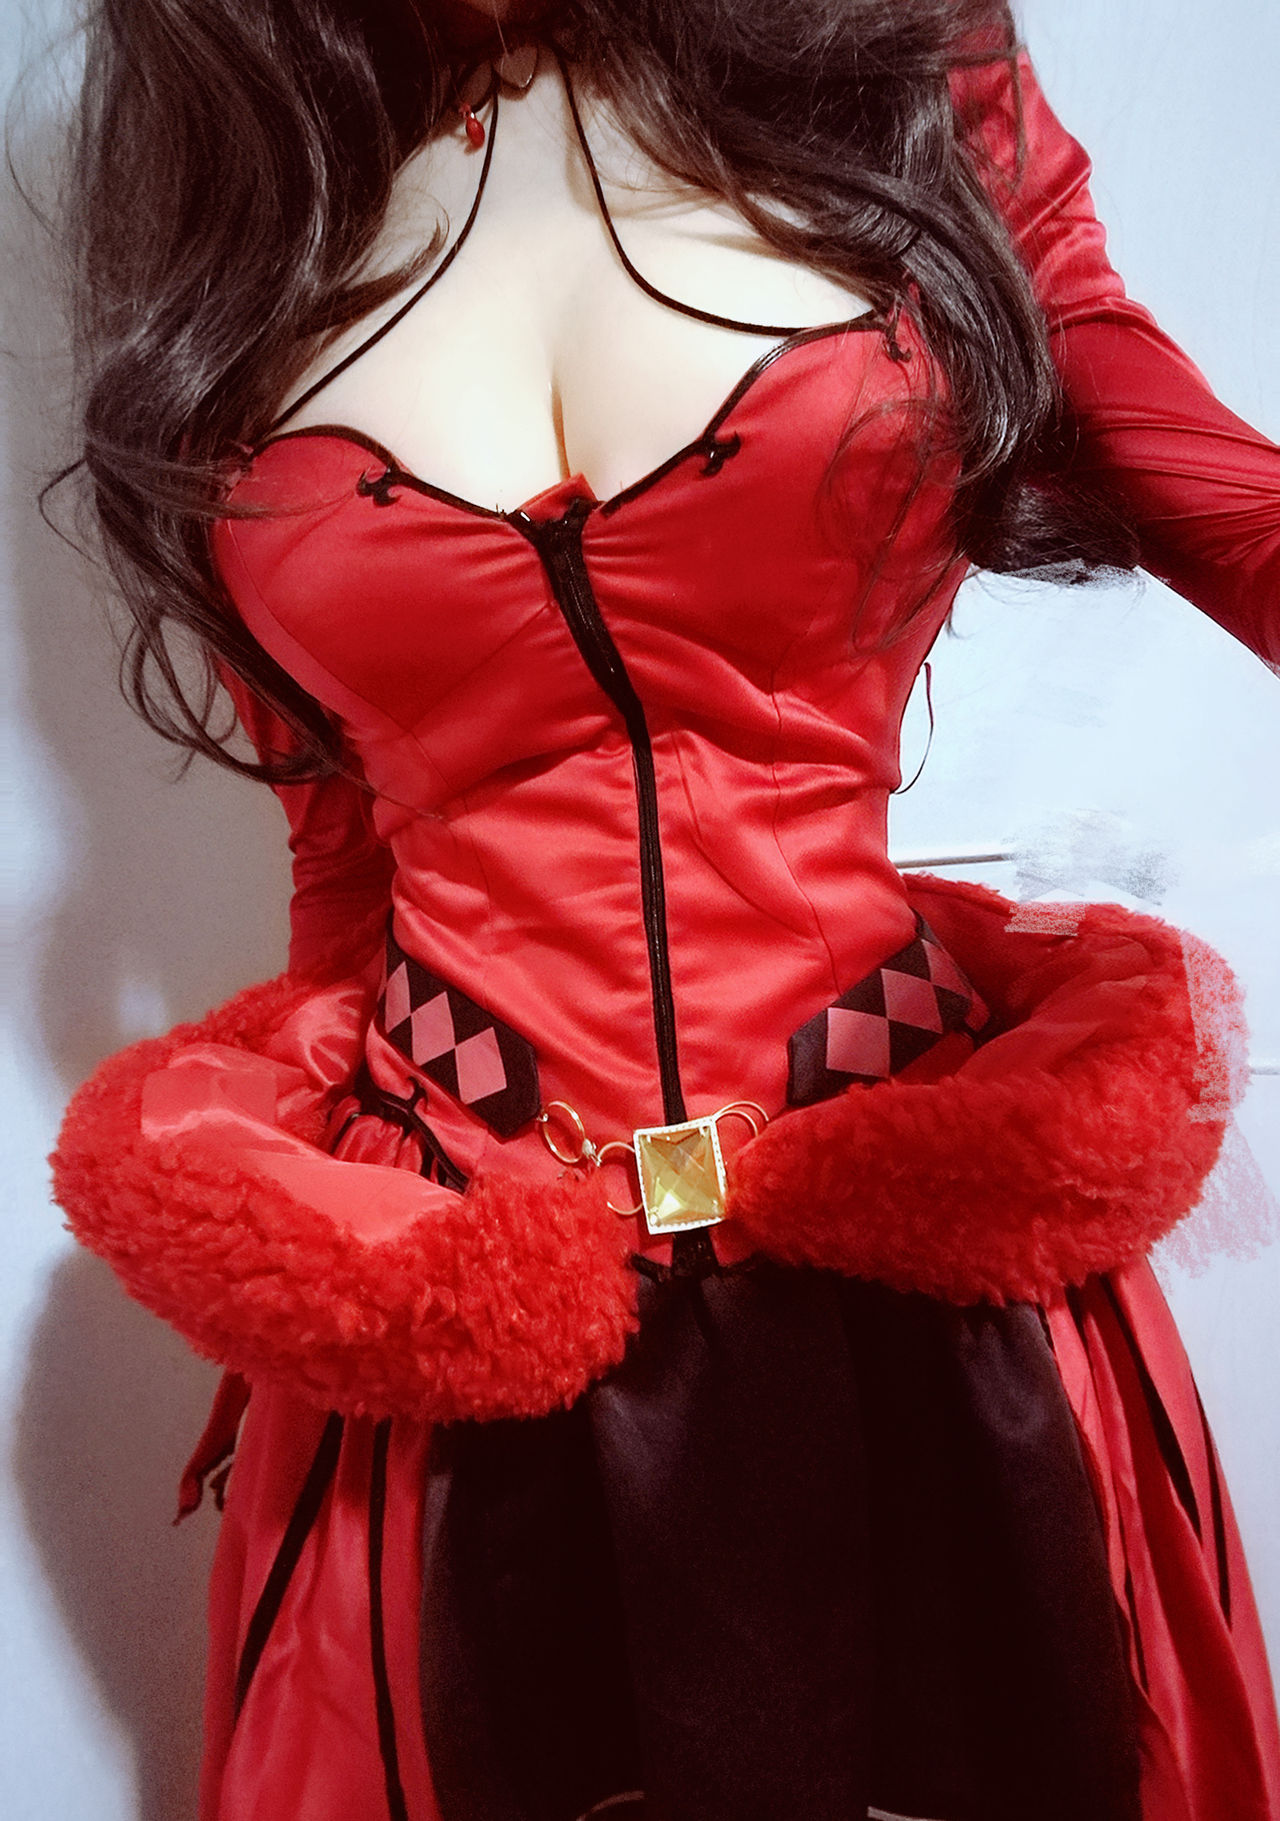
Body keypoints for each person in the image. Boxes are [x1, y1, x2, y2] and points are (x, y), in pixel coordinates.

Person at [47, 1, 1280, 1816]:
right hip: (464, 1301)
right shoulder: (266, 192)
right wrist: (325, 1279)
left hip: (922, 1285)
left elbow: (1228, 508)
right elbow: (341, 857)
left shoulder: (889, 65)